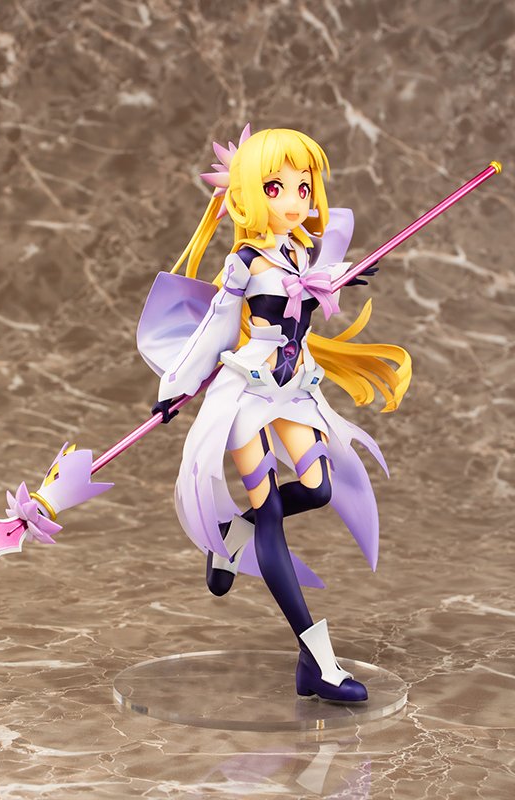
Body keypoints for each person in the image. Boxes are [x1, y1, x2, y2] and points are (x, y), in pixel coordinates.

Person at [136, 125, 412, 702]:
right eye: (275, 187)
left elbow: (306, 305)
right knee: (270, 514)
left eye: (303, 188)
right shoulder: (245, 260)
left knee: (318, 489)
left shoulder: (300, 252)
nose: (293, 200)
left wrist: (337, 279)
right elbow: (216, 325)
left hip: (294, 388)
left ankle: (230, 534)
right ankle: (317, 660)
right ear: (248, 194)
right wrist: (174, 386)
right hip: (249, 393)